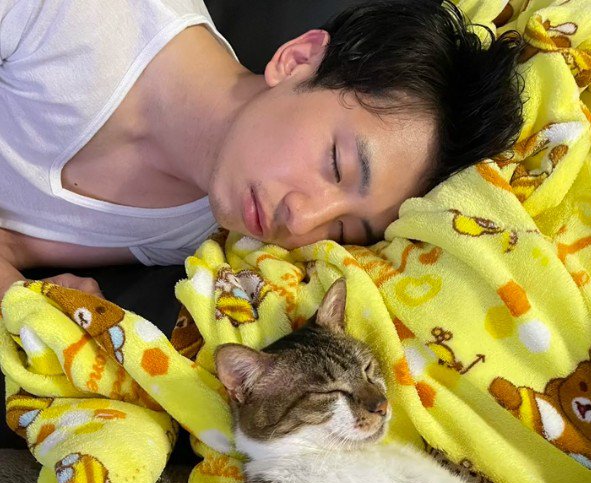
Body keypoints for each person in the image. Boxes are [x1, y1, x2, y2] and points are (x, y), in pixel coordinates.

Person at [0, 0, 523, 299]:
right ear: (298, 60)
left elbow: (12, 244)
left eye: (342, 230)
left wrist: (21, 297)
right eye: (335, 164)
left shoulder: (192, 233)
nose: (302, 221)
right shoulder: (81, 17)